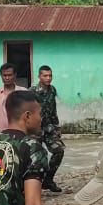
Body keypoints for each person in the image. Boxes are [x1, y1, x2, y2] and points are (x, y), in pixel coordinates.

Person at [31, 65, 65, 194]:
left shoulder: (52, 89)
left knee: (59, 151)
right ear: (39, 76)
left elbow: (53, 109)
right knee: (37, 157)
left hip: (49, 128)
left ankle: (48, 180)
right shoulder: (32, 91)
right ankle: (33, 184)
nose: (48, 78)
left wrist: (57, 127)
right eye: (45, 75)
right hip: (35, 129)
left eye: (50, 75)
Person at [0, 63, 27, 135]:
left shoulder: (24, 92)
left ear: (15, 75)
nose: (7, 78)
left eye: (10, 75)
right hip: (1, 134)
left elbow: (29, 114)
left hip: (20, 132)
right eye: (4, 75)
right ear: (1, 76)